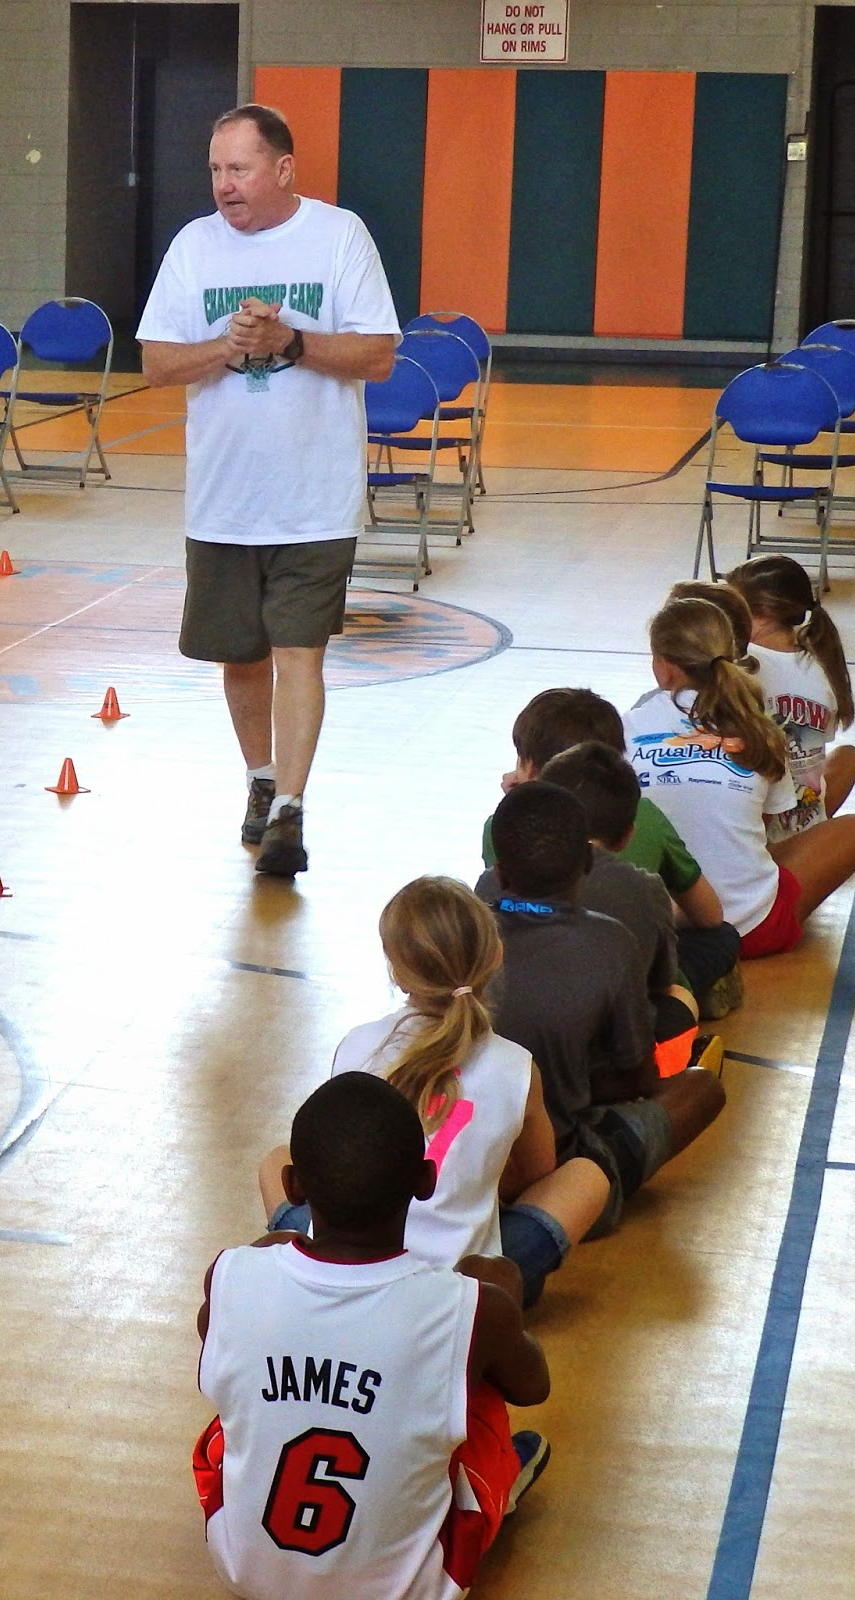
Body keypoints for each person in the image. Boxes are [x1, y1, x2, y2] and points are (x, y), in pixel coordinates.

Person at [137, 104, 400, 877]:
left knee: (299, 653)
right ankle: (259, 779)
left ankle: (290, 808)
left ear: (283, 169)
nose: (225, 186)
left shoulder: (339, 235)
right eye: (216, 170)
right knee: (241, 656)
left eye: (240, 169)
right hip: (223, 498)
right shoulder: (193, 246)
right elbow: (155, 363)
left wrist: (292, 341)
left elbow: (378, 355)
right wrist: (228, 345)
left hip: (314, 496)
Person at [195, 1073, 551, 1600]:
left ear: (292, 1186)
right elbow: (532, 1387)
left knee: (229, 1416)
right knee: (469, 1380)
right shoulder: (472, 1308)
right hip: (409, 1591)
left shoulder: (230, 1273)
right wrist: (502, 1293)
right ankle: (502, 1480)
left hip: (245, 1573)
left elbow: (222, 1353)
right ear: (426, 1181)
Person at [259, 876, 609, 1305]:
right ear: (496, 956)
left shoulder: (357, 1045)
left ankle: (305, 1267)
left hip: (348, 1260)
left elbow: (330, 1163)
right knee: (586, 1177)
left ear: (398, 974)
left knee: (275, 1161)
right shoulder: (517, 1066)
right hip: (458, 1287)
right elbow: (538, 1174)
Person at [483, 782, 726, 1240]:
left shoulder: (471, 916)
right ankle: (554, 1210)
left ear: (499, 872)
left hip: (460, 1149)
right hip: (560, 1153)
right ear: (589, 864)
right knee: (701, 1088)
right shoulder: (611, 941)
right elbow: (638, 1080)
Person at [623, 597, 855, 959]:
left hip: (657, 922)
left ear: (662, 668)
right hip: (751, 928)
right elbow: (768, 823)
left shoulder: (625, 727)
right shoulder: (761, 730)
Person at [479, 686, 742, 1017]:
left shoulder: (498, 828)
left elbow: (516, 906)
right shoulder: (643, 814)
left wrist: (514, 804)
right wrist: (653, 909)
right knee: (720, 937)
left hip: (529, 990)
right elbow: (709, 914)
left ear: (530, 769)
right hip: (627, 997)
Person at [476, 742, 713, 1077]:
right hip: (589, 1093)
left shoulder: (487, 884)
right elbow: (640, 1049)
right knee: (696, 1063)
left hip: (501, 1070)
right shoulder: (620, 929)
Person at [725, 554, 855, 843]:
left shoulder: (741, 666)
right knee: (846, 756)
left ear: (761, 614)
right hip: (806, 825)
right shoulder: (822, 664)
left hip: (758, 833)